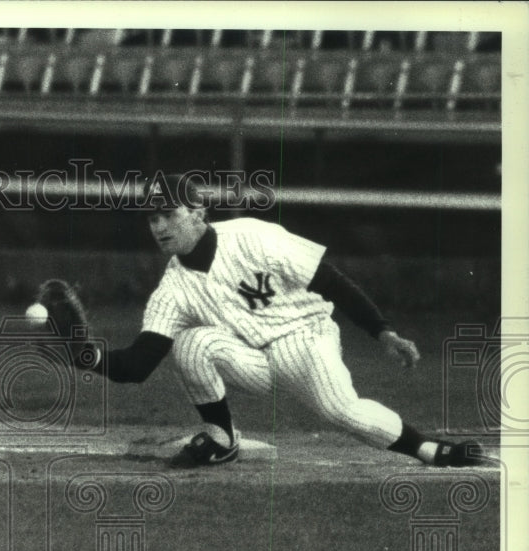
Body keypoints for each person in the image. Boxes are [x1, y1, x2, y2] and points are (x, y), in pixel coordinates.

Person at [85, 173, 486, 468]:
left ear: (197, 212)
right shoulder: (172, 289)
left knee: (340, 411)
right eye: (152, 219)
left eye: (168, 215)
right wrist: (80, 354)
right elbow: (139, 364)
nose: (159, 227)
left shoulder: (251, 236)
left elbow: (330, 279)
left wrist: (382, 331)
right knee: (190, 343)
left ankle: (429, 449)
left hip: (306, 335)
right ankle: (223, 438)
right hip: (253, 360)